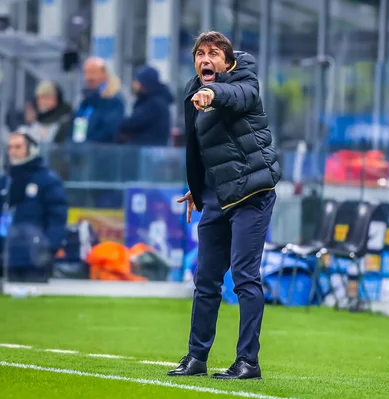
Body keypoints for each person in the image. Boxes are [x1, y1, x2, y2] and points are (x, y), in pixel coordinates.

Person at [168, 31, 281, 380]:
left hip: (251, 194)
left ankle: (248, 361)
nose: (206, 59)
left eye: (214, 53)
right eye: (200, 53)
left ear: (227, 60)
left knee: (245, 277)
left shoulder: (245, 80)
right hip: (217, 196)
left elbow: (236, 95)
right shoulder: (192, 92)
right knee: (205, 280)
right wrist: (197, 189)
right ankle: (196, 357)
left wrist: (212, 93)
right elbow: (198, 149)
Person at [0, 132, 68, 282]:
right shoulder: (5, 181)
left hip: (35, 255)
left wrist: (50, 247)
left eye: (18, 147)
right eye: (10, 148)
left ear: (31, 149)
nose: (13, 152)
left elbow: (57, 216)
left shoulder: (47, 180)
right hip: (7, 254)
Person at [72, 56, 125, 143]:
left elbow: (109, 132)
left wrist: (86, 145)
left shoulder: (114, 101)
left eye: (93, 72)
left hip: (102, 153)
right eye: (86, 73)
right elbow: (76, 127)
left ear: (105, 74)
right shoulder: (84, 101)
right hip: (80, 153)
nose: (88, 77)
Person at [117, 65, 174, 146]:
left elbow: (131, 123)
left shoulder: (154, 103)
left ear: (145, 83)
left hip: (148, 152)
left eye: (137, 81)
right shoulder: (150, 100)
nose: (134, 85)